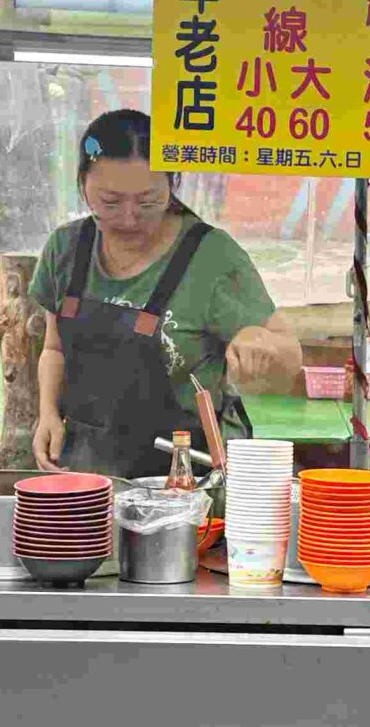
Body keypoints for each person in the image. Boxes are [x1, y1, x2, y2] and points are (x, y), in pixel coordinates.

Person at [28, 108, 302, 476]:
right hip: (83, 472)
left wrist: (259, 341)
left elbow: (289, 354)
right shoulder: (65, 249)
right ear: (82, 186)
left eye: (148, 201)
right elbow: (53, 347)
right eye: (110, 202)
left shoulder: (212, 258)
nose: (129, 217)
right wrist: (47, 414)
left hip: (182, 480)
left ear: (173, 183)